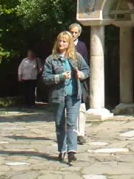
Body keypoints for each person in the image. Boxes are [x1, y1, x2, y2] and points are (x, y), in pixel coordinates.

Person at [43, 31, 89, 165]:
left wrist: (81, 74)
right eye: (60, 41)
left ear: (69, 44)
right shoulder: (51, 59)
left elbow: (86, 70)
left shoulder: (76, 57)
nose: (61, 43)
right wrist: (60, 76)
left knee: (71, 123)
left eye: (64, 41)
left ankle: (72, 152)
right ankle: (62, 149)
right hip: (58, 96)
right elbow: (45, 78)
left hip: (74, 95)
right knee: (59, 123)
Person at [68, 23, 88, 144]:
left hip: (80, 81)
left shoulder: (82, 46)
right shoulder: (64, 44)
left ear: (79, 34)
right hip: (67, 80)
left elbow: (85, 64)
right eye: (72, 32)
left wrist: (82, 75)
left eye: (76, 33)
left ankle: (81, 133)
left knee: (81, 107)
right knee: (68, 109)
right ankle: (71, 132)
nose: (74, 35)